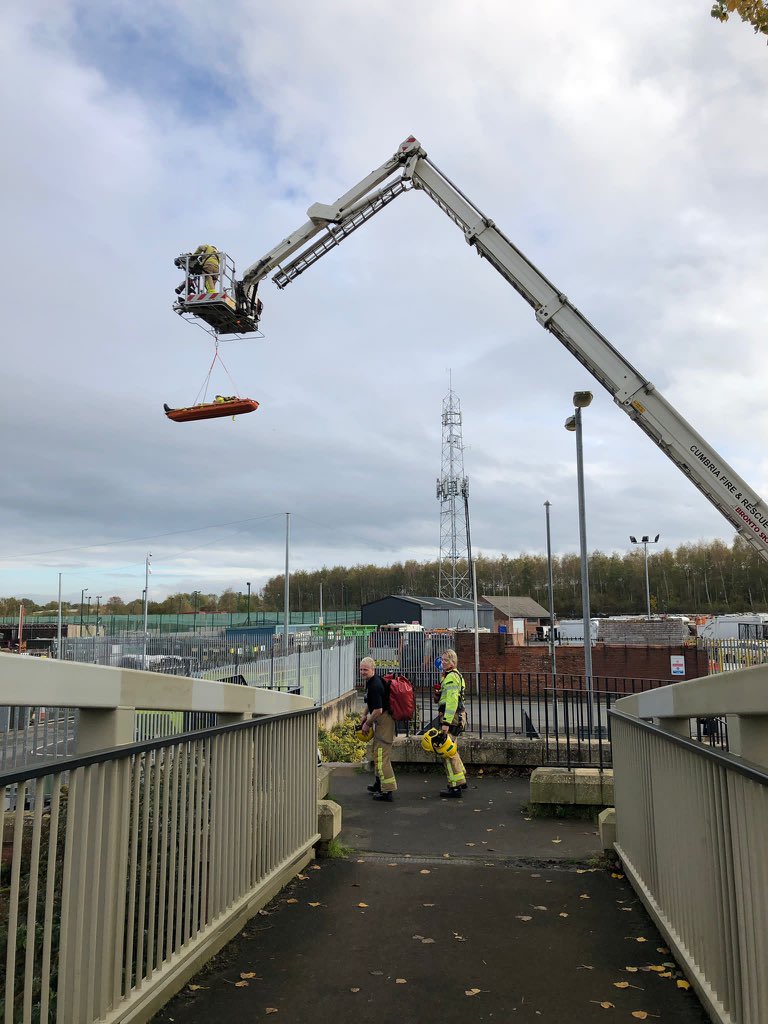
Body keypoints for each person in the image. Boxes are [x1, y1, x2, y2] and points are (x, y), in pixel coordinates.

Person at [358, 656, 397, 801]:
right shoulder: (372, 681)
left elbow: (378, 710)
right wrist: (364, 715)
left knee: (381, 756)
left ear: (373, 669)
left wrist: (367, 723)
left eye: (365, 670)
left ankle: (387, 791)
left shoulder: (375, 685)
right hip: (380, 721)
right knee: (376, 752)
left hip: (384, 721)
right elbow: (371, 703)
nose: (363, 672)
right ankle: (379, 784)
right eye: (361, 669)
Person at [436, 648, 467, 798]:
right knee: (452, 748)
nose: (443, 662)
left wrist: (446, 723)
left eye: (446, 660)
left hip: (452, 718)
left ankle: (455, 786)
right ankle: (461, 779)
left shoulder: (450, 677)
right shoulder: (454, 675)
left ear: (452, 662)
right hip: (458, 717)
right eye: (442, 660)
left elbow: (452, 702)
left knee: (446, 751)